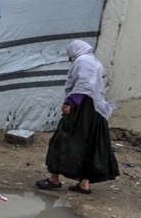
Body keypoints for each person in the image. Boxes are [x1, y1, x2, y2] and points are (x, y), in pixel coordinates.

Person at [36, 40, 119, 195]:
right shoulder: (93, 61)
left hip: (82, 107)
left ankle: (54, 179)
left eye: (70, 55)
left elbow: (84, 83)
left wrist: (70, 102)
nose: (70, 59)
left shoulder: (83, 61)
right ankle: (84, 184)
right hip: (94, 109)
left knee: (61, 140)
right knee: (88, 144)